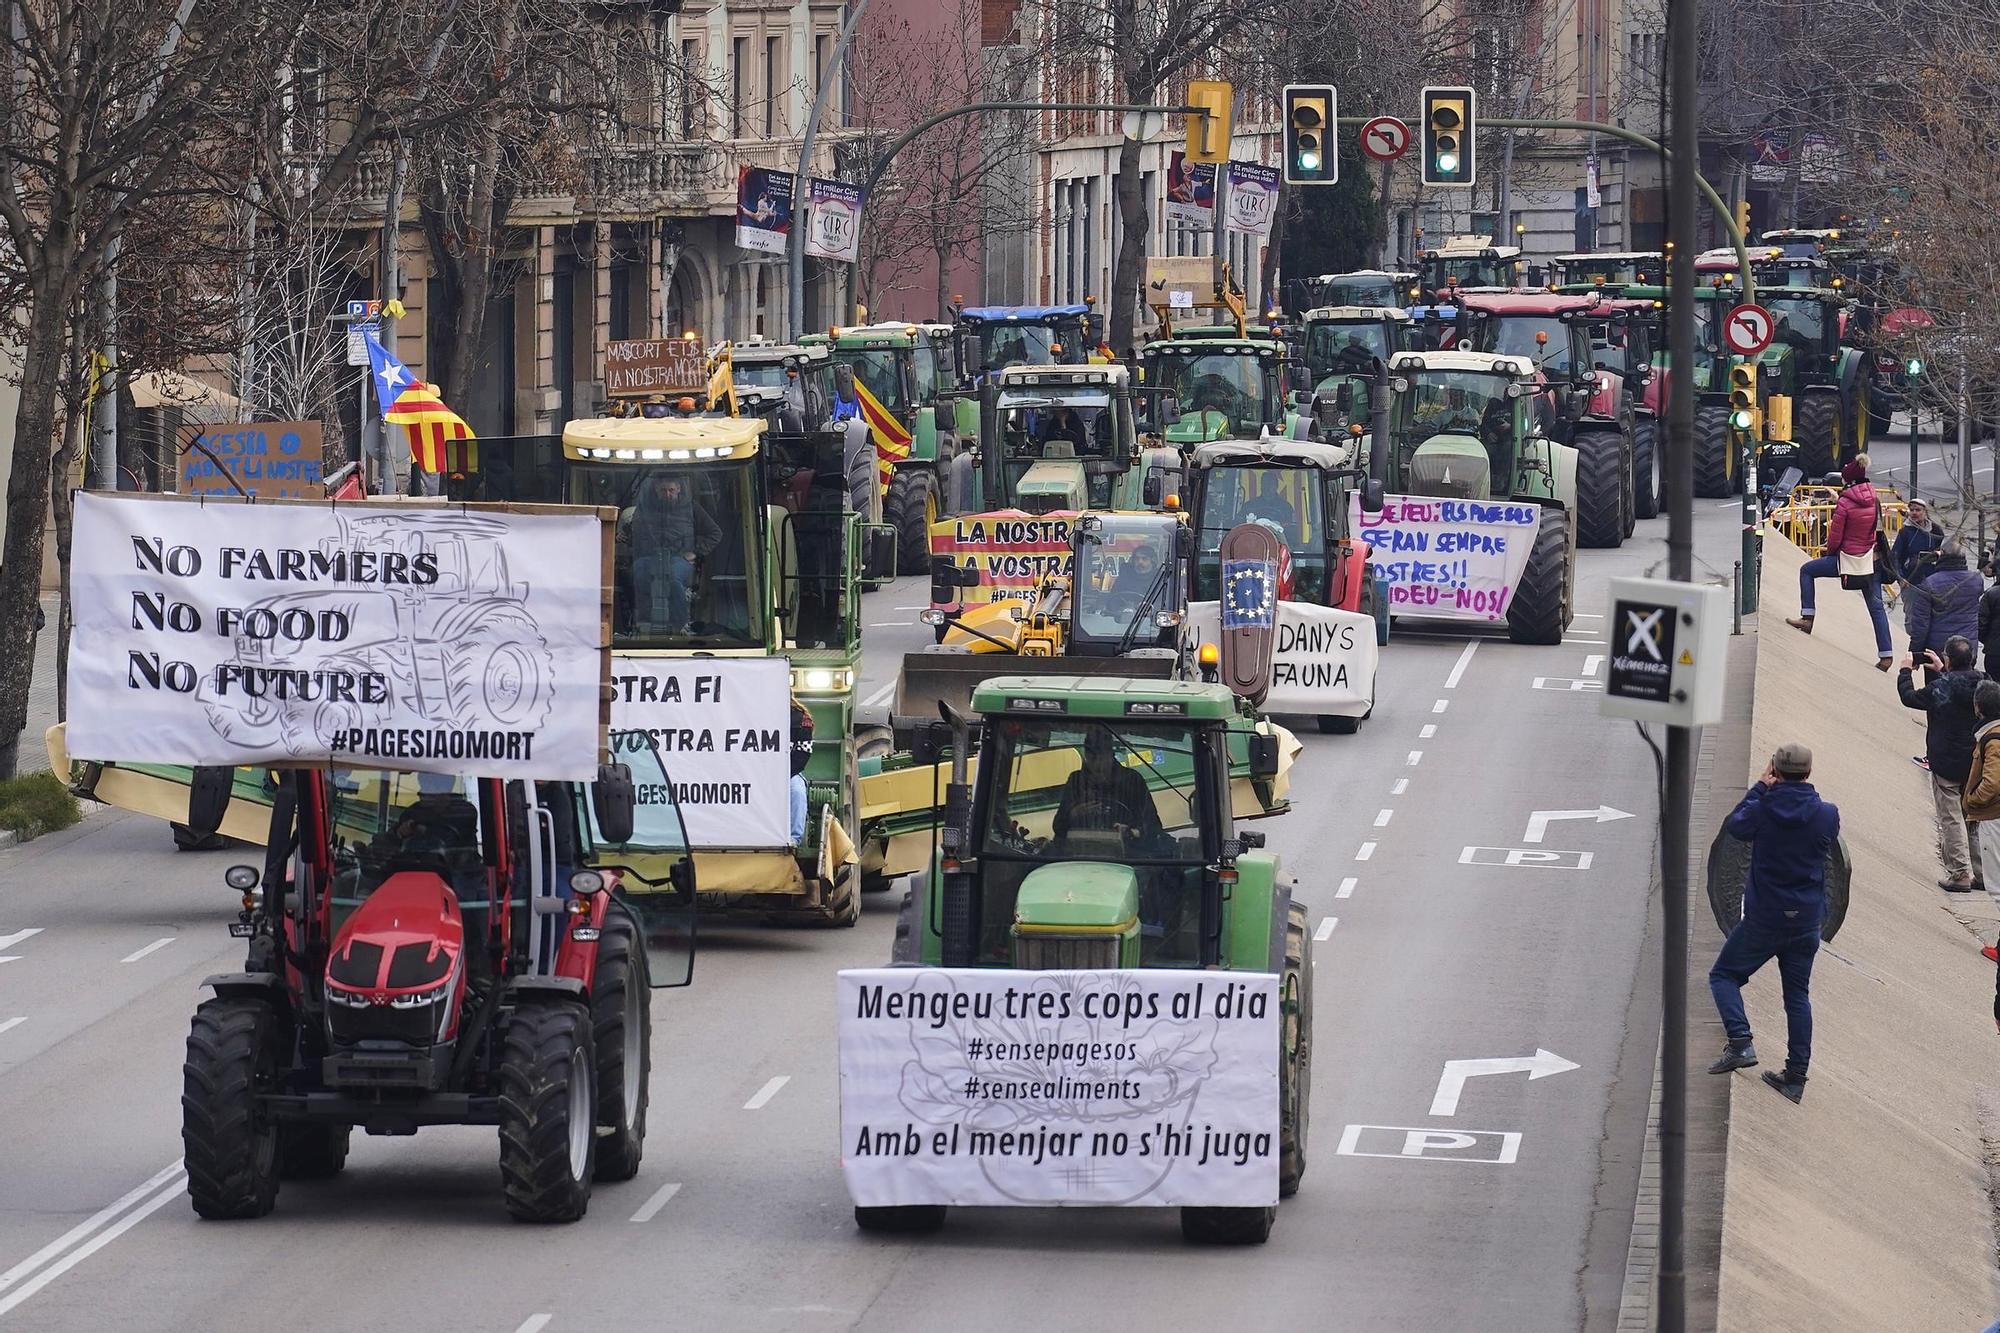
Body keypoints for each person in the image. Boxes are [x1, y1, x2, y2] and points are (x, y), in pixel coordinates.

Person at [1706, 742, 1839, 1104]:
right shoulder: (1827, 814)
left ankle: (1741, 1042)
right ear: (1809, 773)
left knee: (1723, 976)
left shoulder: (1763, 809)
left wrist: (1760, 787)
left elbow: (1736, 827)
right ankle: (1795, 1078)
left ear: (1775, 771)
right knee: (1797, 997)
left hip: (1764, 919)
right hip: (1807, 921)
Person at [1788, 454, 1892, 670]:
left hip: (1846, 560)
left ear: (1849, 481)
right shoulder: (1874, 500)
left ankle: (1807, 617)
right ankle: (1886, 655)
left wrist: (1830, 554)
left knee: (1807, 570)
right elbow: (1874, 527)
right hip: (1869, 561)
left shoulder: (1845, 504)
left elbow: (1835, 537)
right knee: (1877, 608)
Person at [1897, 637, 1985, 892]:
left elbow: (1909, 697)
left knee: (1951, 817)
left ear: (1947, 658)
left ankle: (1959, 874)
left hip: (1946, 760)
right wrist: (1944, 670)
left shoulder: (1941, 687)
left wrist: (1905, 671)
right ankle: (1982, 874)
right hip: (1975, 760)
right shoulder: (1984, 681)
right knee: (1973, 817)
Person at [626, 473, 721, 632]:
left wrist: (695, 552)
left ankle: (681, 625)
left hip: (680, 558)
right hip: (650, 557)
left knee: (672, 579)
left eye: (671, 490)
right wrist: (625, 536)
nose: (667, 494)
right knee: (636, 573)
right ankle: (640, 622)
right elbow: (633, 533)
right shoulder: (644, 509)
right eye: (663, 490)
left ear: (678, 489)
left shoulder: (692, 508)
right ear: (656, 490)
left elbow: (715, 534)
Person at [1052, 728, 1160, 843]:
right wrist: (1074, 814)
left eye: (1102, 757)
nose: (1097, 764)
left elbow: (1154, 826)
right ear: (1086, 756)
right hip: (1082, 852)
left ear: (1111, 755)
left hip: (1128, 854)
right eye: (1092, 757)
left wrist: (1130, 832)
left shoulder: (1132, 780)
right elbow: (1058, 829)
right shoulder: (1076, 781)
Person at [1907, 537, 1983, 675]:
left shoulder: (1929, 584)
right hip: (1967, 649)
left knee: (1936, 691)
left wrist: (1915, 655)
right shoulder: (1976, 580)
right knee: (1963, 690)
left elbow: (1920, 625)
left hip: (1938, 653)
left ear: (1941, 554)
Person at [1963, 681, 2000, 951]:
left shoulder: (1993, 738)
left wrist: (1974, 800)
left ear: (1978, 708)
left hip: (1993, 817)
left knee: (1997, 885)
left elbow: (1992, 782)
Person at [1890, 497, 1945, 585]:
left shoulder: (1935, 530)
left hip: (1933, 578)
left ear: (1925, 512)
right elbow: (1895, 557)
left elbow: (1944, 550)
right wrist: (1900, 577)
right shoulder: (1905, 532)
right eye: (1912, 510)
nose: (1914, 513)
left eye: (1918, 510)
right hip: (1911, 578)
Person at [788, 696, 813, 845]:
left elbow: (803, 753)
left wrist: (781, 777)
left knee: (797, 791)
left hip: (789, 772)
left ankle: (794, 837)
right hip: (757, 773)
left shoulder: (802, 720)